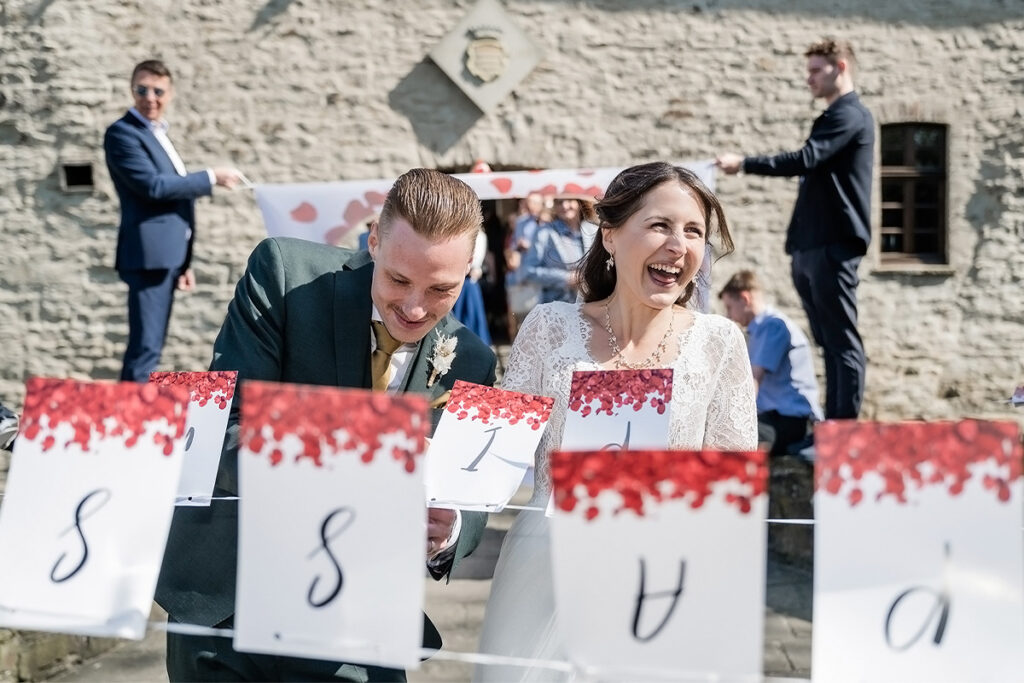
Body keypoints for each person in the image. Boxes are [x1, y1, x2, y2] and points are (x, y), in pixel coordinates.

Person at [156, 168, 497, 682]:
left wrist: (447, 533)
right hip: (230, 602)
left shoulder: (473, 359)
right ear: (374, 240)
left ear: (469, 269)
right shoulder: (284, 272)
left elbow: (472, 504)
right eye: (399, 279)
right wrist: (357, 462)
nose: (414, 306)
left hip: (358, 627)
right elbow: (227, 422)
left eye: (440, 289)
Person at [474, 162, 758, 681]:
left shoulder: (719, 343)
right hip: (547, 578)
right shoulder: (548, 327)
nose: (679, 245)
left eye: (694, 231)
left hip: (664, 585)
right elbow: (490, 456)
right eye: (660, 225)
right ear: (609, 235)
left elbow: (730, 496)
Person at [716, 38, 874, 421]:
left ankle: (842, 429)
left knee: (841, 343)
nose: (809, 79)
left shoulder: (850, 115)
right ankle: (834, 428)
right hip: (809, 245)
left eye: (816, 70)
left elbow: (806, 159)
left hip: (833, 244)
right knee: (827, 342)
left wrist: (746, 164)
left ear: (841, 66)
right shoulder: (831, 118)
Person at [105, 59, 243, 383]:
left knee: (151, 347)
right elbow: (154, 187)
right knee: (145, 349)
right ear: (131, 89)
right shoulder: (122, 133)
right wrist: (211, 177)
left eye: (157, 90)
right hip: (148, 257)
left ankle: (131, 419)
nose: (149, 97)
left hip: (166, 256)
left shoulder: (157, 134)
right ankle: (128, 421)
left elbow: (174, 198)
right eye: (142, 89)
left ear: (170, 93)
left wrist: (183, 260)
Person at [719, 269, 823, 456]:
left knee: (730, 441)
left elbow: (753, 382)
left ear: (744, 299)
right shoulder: (760, 329)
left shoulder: (772, 326)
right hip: (776, 418)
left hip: (790, 422)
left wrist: (731, 418)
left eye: (729, 307)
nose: (728, 315)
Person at [520, 197, 596, 305]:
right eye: (559, 202)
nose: (565, 206)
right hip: (558, 306)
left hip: (592, 305)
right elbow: (529, 271)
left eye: (570, 200)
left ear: (579, 203)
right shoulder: (544, 233)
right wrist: (566, 278)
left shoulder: (594, 231)